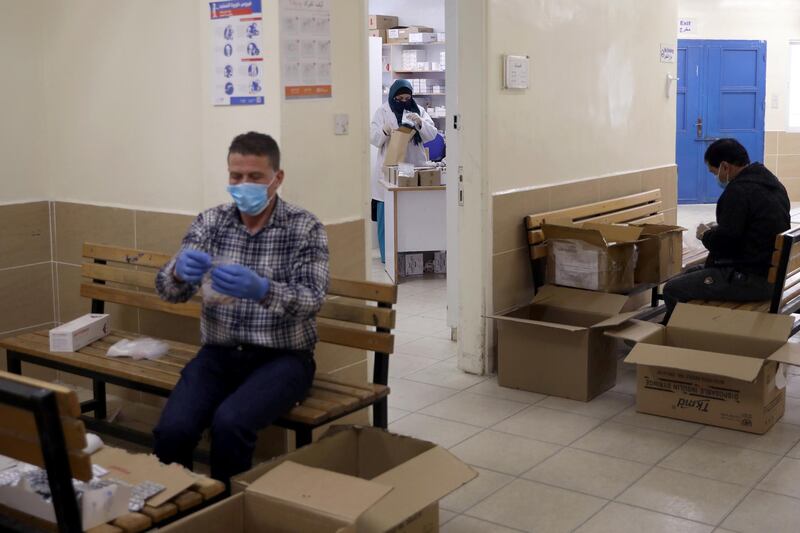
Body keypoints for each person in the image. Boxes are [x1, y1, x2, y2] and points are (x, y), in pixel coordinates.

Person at [152, 132, 329, 486]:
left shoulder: (304, 228)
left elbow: (312, 299)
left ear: (277, 179)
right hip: (219, 353)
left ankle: (230, 513)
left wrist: (263, 290)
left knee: (230, 424)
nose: (243, 185)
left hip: (284, 359)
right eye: (236, 176)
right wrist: (177, 272)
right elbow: (168, 291)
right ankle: (179, 514)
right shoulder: (211, 223)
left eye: (255, 177)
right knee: (172, 431)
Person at [662, 138, 790, 322]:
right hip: (772, 275)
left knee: (673, 289)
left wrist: (706, 235)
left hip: (751, 280)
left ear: (725, 166)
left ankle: (679, 337)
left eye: (714, 172)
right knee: (689, 274)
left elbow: (725, 245)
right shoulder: (773, 184)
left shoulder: (738, 192)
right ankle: (685, 328)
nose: (716, 178)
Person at [370, 79, 437, 263]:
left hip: (411, 167)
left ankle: (409, 256)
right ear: (393, 96)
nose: (404, 101)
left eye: (407, 98)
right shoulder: (382, 111)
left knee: (411, 212)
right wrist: (384, 131)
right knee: (388, 214)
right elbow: (373, 138)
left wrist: (420, 122)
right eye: (399, 98)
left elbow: (432, 134)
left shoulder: (418, 110)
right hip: (390, 169)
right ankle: (388, 257)